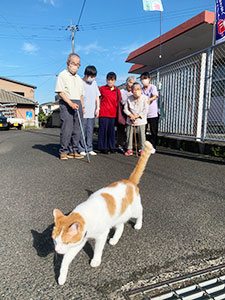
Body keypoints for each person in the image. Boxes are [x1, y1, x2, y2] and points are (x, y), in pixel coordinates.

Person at [55, 53, 85, 160]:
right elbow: (60, 92)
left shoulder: (79, 78)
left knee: (77, 129)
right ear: (68, 63)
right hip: (66, 102)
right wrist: (70, 103)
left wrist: (83, 107)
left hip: (78, 104)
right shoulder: (62, 75)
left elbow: (81, 94)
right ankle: (64, 151)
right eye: (73, 63)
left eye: (78, 64)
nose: (75, 66)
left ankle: (74, 150)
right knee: (67, 128)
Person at [79, 66, 100, 156]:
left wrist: (97, 108)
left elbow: (97, 96)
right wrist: (82, 107)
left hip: (92, 111)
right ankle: (81, 148)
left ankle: (89, 148)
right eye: (91, 76)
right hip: (83, 111)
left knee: (90, 131)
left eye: (94, 76)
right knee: (82, 130)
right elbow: (79, 96)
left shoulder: (94, 83)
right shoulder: (80, 82)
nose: (92, 78)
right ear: (86, 74)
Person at [98, 72, 121, 154]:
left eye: (111, 80)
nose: (110, 81)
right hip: (103, 113)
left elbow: (119, 102)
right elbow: (97, 98)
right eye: (108, 79)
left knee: (111, 132)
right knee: (103, 131)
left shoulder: (117, 91)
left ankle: (111, 147)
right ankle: (102, 147)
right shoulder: (102, 89)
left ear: (115, 81)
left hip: (113, 114)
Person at [123, 82, 148, 156]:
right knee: (129, 134)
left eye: (138, 89)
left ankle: (142, 149)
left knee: (142, 135)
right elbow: (125, 109)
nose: (137, 91)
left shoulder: (145, 98)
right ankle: (129, 149)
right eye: (135, 89)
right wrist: (130, 115)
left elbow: (145, 110)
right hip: (131, 119)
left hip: (141, 119)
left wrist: (137, 116)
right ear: (132, 90)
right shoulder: (129, 98)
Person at [118, 76, 137, 153]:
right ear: (126, 82)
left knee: (130, 130)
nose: (131, 84)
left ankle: (129, 145)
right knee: (121, 128)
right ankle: (120, 144)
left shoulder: (135, 91)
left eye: (133, 83)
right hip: (123, 111)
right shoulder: (121, 91)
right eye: (130, 82)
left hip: (131, 112)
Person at [140, 72, 158, 153]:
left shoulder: (153, 87)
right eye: (142, 79)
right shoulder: (141, 90)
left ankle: (153, 147)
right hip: (144, 114)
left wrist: (149, 99)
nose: (144, 80)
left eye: (145, 78)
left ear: (149, 79)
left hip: (153, 113)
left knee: (153, 131)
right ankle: (143, 146)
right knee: (143, 131)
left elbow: (155, 96)